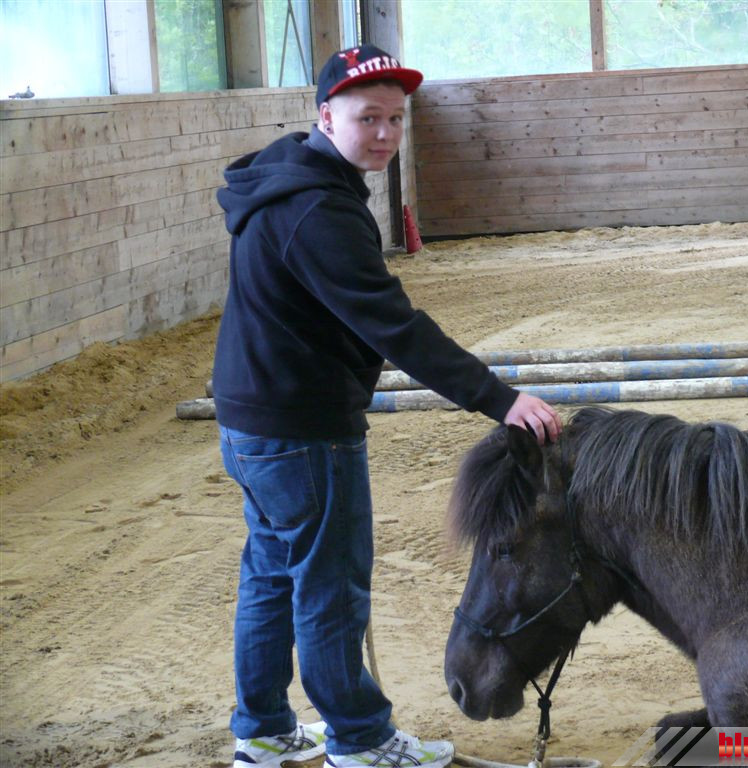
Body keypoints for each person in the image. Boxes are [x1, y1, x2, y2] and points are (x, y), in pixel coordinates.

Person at [212, 44, 562, 768]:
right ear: (325, 116)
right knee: (331, 588)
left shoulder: (291, 178)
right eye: (367, 117)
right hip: (301, 430)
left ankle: (264, 729)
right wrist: (499, 399)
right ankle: (359, 738)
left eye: (395, 119)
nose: (383, 134)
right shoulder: (318, 210)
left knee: (271, 575)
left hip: (253, 419)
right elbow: (395, 327)